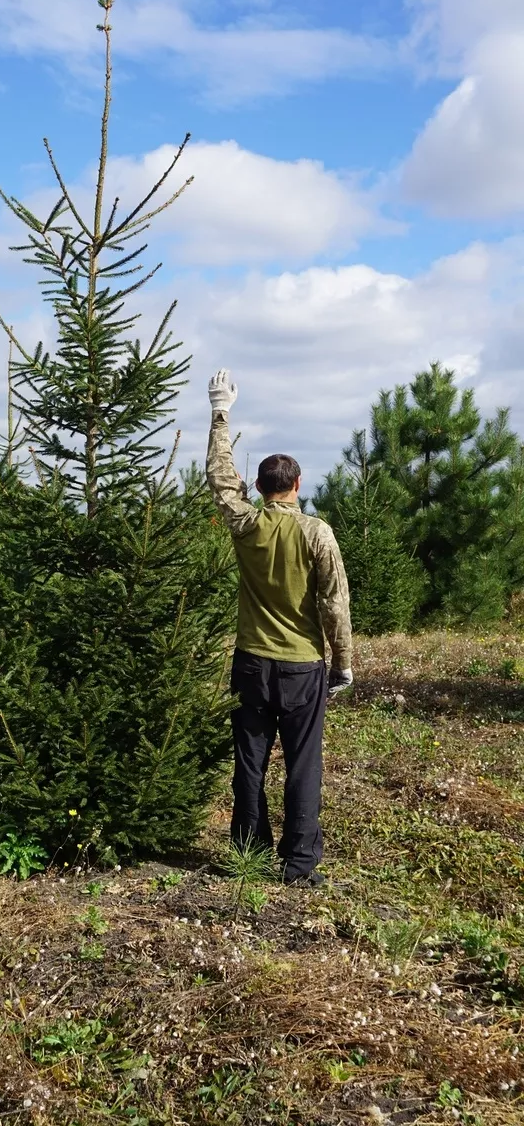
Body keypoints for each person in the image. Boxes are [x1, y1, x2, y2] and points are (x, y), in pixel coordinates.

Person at [206, 369, 353, 886]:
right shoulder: (317, 533)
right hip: (301, 667)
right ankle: (300, 866)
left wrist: (220, 413)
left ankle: (249, 851)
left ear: (261, 488)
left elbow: (221, 480)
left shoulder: (245, 525)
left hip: (249, 663)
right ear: (296, 485)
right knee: (302, 765)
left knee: (249, 762)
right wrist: (343, 663)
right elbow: (335, 602)